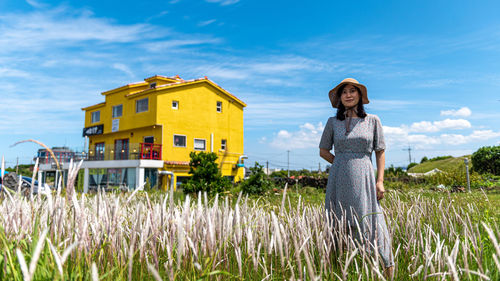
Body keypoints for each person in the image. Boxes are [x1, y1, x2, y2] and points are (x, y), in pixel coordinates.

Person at [319, 78, 394, 278]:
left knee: (373, 222)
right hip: (338, 178)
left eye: (353, 91)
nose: (349, 95)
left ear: (360, 95)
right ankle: (338, 271)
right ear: (340, 97)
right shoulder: (332, 122)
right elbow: (323, 150)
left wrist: (380, 181)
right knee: (338, 222)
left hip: (365, 175)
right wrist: (341, 162)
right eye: (344, 92)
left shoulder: (372, 120)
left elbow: (380, 151)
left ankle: (387, 271)